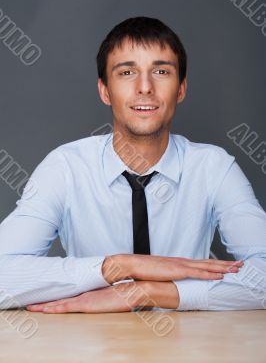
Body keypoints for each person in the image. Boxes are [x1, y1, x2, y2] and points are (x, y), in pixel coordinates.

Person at [0, 17, 265, 314]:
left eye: (161, 71)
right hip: (89, 352)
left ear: (181, 89)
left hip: (190, 351)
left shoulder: (214, 168)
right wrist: (117, 266)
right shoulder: (65, 167)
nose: (145, 87)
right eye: (127, 72)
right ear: (104, 90)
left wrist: (146, 291)